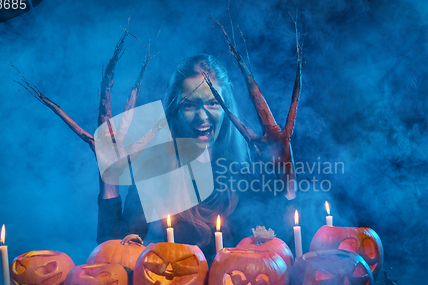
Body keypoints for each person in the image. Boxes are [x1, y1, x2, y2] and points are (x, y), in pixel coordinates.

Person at [97, 54, 293, 262]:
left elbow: (286, 250)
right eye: (189, 105)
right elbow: (114, 260)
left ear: (226, 110)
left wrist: (287, 173)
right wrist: (110, 178)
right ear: (175, 112)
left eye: (212, 103)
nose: (202, 116)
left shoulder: (250, 170)